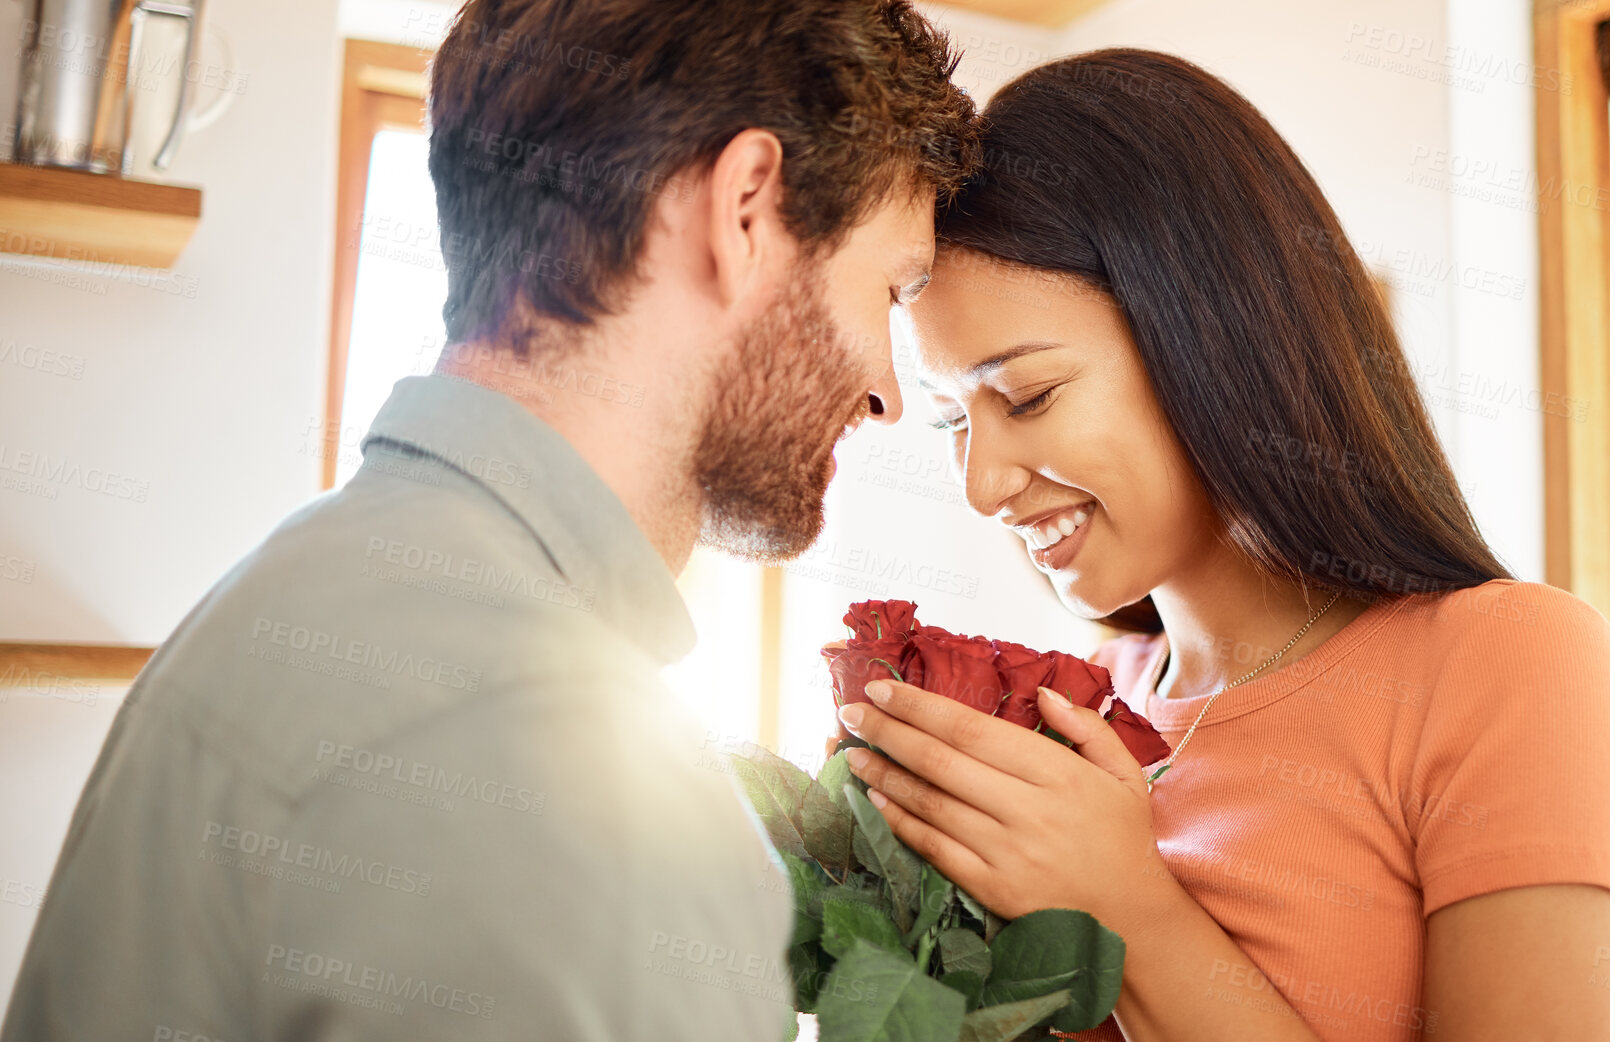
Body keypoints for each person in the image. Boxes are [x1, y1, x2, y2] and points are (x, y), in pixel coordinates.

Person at [0, 2, 976, 1039]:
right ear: (743, 208)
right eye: (887, 287)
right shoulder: (557, 773)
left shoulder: (285, 598)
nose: (885, 392)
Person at [829, 49, 1610, 1041]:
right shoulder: (1080, 712)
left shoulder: (1505, 662)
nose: (981, 484)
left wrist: (1127, 907)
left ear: (1207, 333)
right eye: (951, 421)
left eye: (1028, 396)